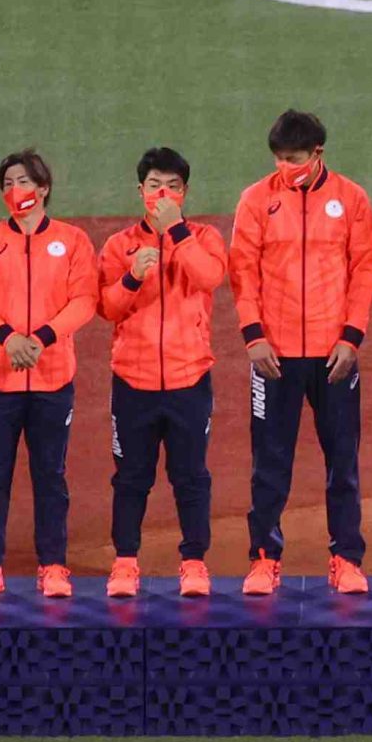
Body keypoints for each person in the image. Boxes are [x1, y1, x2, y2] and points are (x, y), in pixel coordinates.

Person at [229, 109, 372, 596]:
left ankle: (346, 559)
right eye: (277, 158)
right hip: (275, 356)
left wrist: (351, 337)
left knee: (343, 462)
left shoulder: (352, 199)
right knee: (269, 462)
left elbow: (363, 270)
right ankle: (265, 559)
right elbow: (243, 272)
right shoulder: (256, 200)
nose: (283, 166)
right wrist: (254, 337)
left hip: (334, 356)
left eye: (292, 158)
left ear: (318, 154)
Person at [0, 151, 97, 599]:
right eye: (9, 182)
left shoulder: (74, 241)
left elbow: (84, 301)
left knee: (50, 477)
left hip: (53, 378)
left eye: (24, 181)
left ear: (44, 188)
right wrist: (7, 338)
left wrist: (39, 339)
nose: (17, 189)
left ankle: (53, 566)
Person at [97, 147, 227, 598]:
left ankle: (193, 563)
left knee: (190, 475)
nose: (163, 193)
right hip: (133, 382)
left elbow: (210, 278)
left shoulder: (204, 238)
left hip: (189, 380)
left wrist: (176, 232)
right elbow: (107, 308)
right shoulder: (119, 246)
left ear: (185, 192)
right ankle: (125, 564)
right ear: (140, 191)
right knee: (131, 477)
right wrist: (132, 276)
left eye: (172, 186)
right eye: (154, 185)